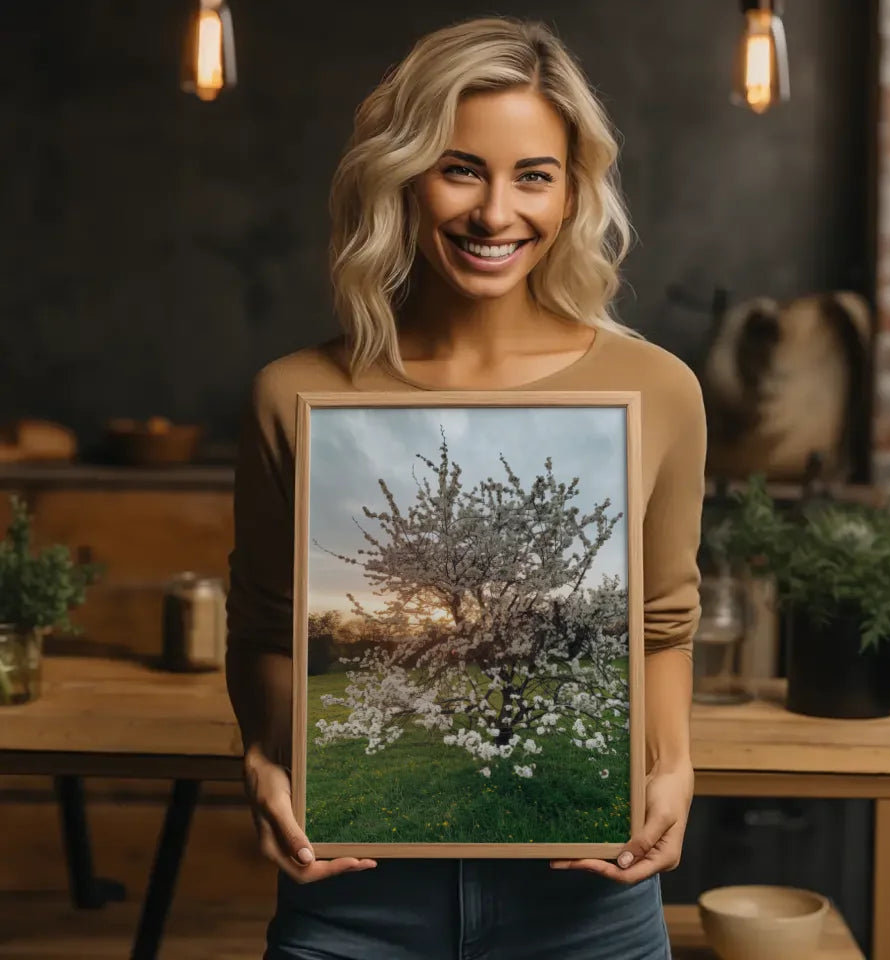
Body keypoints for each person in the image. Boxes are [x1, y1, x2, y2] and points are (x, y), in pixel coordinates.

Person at [226, 16, 706, 960]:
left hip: (587, 907)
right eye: (460, 169)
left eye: (534, 175)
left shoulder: (658, 390)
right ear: (401, 178)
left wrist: (674, 766)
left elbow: (660, 624)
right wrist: (260, 755)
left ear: (572, 194)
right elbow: (264, 626)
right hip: (351, 902)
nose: (496, 215)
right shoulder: (296, 395)